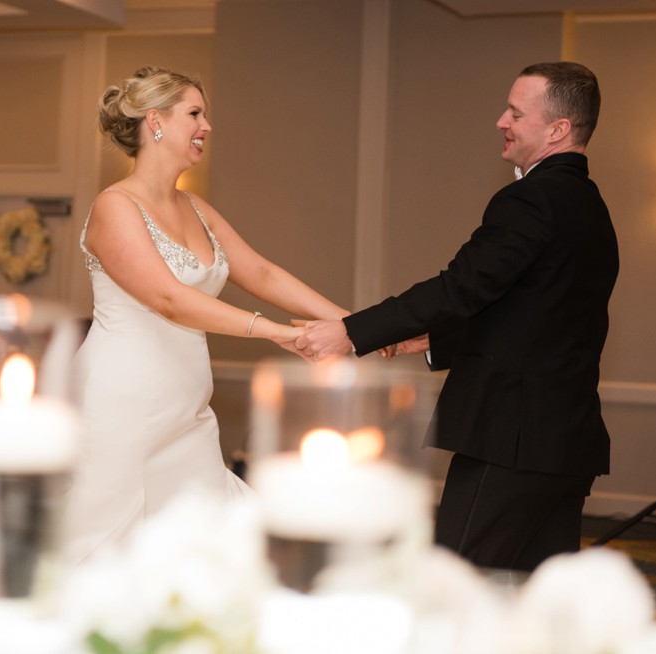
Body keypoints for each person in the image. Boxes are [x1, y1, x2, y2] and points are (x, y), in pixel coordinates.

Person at [295, 62, 618, 572]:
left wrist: (349, 334)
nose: (500, 121)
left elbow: (460, 287)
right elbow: (532, 311)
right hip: (563, 442)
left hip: (510, 439)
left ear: (558, 129)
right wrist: (420, 344)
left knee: (454, 587)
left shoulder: (532, 199)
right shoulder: (592, 207)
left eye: (515, 111)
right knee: (534, 604)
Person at [64, 66, 349, 566]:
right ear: (155, 122)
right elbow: (168, 298)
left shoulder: (195, 206)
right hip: (121, 404)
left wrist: (356, 324)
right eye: (195, 113)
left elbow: (261, 273)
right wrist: (276, 333)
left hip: (186, 411)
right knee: (110, 553)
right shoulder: (114, 206)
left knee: (217, 546)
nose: (207, 126)